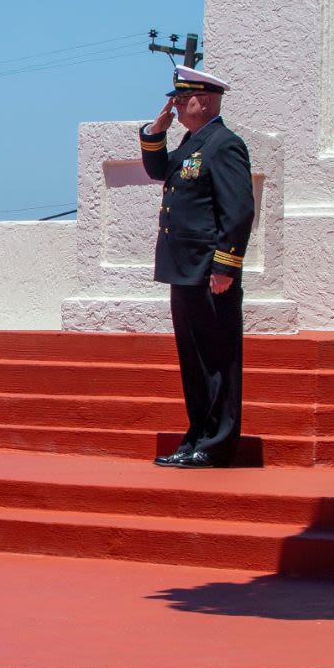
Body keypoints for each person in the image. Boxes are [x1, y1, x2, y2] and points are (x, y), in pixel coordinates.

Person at [142, 66, 255, 469]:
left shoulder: (224, 144)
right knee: (193, 361)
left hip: (210, 271)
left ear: (203, 100)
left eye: (180, 98)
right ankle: (197, 436)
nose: (174, 103)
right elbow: (160, 171)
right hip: (184, 269)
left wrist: (225, 264)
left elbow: (239, 210)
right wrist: (156, 132)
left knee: (217, 359)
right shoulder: (193, 142)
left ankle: (218, 442)